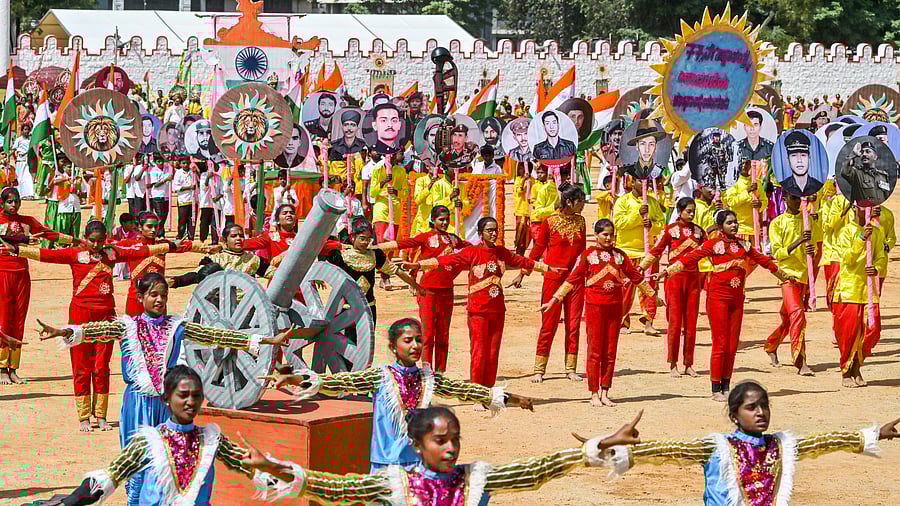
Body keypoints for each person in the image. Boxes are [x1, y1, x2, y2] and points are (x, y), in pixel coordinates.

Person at [264, 318, 534, 471]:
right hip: (385, 466)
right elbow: (338, 382)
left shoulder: (428, 377)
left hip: (420, 465)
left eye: (418, 339)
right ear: (394, 347)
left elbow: (464, 390)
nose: (415, 345)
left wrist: (513, 399)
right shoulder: (379, 376)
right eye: (408, 340)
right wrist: (296, 378)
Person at [232, 406, 642, 505]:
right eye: (441, 441)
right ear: (417, 446)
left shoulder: (476, 478)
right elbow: (341, 488)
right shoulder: (395, 484)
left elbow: (533, 471)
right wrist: (277, 467)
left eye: (455, 439)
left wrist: (593, 447)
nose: (451, 448)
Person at [596, 380, 899, 504]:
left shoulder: (781, 446)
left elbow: (824, 442)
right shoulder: (716, 447)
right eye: (751, 407)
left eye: (764, 405)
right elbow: (668, 450)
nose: (761, 412)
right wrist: (612, 448)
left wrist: (871, 435)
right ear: (734, 415)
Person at [5, 221, 183, 430]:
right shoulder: (74, 254)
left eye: (101, 241)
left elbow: (142, 250)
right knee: (81, 367)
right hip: (80, 314)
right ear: (85, 237)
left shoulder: (112, 254)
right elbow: (46, 255)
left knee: (101, 366)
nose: (97, 245)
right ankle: (83, 417)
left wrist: (172, 246)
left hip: (106, 314)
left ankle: (100, 415)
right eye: (92, 241)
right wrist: (18, 250)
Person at [47, 365, 305, 506]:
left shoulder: (212, 440)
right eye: (183, 395)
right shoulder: (148, 441)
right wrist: (68, 502)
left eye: (196, 395)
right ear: (166, 400)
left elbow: (251, 466)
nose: (190, 402)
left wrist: (296, 482)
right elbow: (109, 477)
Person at [402, 217, 553, 393]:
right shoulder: (471, 252)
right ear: (481, 234)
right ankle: (475, 389)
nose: (494, 233)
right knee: (479, 350)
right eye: (489, 230)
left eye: (495, 229)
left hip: (497, 309)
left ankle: (487, 388)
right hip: (478, 309)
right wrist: (418, 265)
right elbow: (445, 261)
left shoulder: (501, 252)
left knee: (492, 351)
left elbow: (522, 261)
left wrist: (549, 269)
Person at [657, 210, 791, 401]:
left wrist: (785, 277)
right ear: (721, 226)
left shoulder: (744, 245)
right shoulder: (713, 244)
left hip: (737, 299)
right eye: (729, 223)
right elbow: (690, 258)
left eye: (735, 222)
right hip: (718, 298)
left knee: (731, 344)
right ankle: (715, 387)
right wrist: (668, 271)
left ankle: (726, 385)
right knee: (720, 343)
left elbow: (765, 261)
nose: (734, 226)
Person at [540, 219, 652, 406]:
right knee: (595, 350)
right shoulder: (588, 255)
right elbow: (573, 279)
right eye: (605, 234)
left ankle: (605, 390)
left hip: (615, 306)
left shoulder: (620, 256)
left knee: (610, 350)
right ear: (596, 235)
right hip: (594, 306)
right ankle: (593, 392)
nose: (609, 238)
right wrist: (555, 299)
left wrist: (652, 295)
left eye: (611, 235)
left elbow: (635, 276)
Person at [372, 207, 469, 372]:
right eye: (441, 219)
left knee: (443, 335)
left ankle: (439, 373)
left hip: (447, 291)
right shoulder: (426, 238)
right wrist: (377, 247)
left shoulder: (453, 239)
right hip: (428, 291)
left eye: (446, 219)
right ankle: (425, 372)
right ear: (433, 220)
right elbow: (405, 243)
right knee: (428, 334)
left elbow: (472, 249)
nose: (444, 222)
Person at [508, 185, 586, 383]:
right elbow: (538, 248)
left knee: (574, 324)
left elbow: (583, 253)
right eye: (580, 201)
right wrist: (524, 271)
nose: (583, 205)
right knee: (549, 324)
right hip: (553, 278)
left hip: (575, 280)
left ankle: (570, 368)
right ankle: (539, 369)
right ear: (569, 202)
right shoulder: (549, 222)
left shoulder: (581, 221)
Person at [0, 187, 74, 385]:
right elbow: (8, 238)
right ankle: (1, 367)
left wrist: (74, 241)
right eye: (9, 202)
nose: (13, 205)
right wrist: (24, 239)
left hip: (22, 274)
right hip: (2, 273)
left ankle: (13, 367)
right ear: (2, 203)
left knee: (18, 320)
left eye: (16, 201)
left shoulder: (27, 221)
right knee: (4, 318)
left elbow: (48, 234)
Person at [641, 197, 705, 376]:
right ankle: (673, 363)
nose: (691, 214)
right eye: (688, 211)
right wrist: (640, 268)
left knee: (691, 322)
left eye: (693, 211)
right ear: (679, 211)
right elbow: (656, 252)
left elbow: (709, 250)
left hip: (694, 280)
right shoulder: (670, 230)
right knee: (675, 322)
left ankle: (689, 363)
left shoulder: (699, 232)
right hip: (674, 279)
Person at [321, 218, 422, 326]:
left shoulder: (375, 254)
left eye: (368, 239)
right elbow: (320, 251)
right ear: (352, 237)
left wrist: (417, 287)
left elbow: (396, 271)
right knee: (349, 340)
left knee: (368, 341)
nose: (365, 243)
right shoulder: (340, 254)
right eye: (362, 238)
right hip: (346, 309)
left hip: (369, 308)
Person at [765, 193, 822, 376]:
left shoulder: (808, 221)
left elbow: (815, 249)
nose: (798, 202)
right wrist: (799, 242)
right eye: (795, 198)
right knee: (797, 315)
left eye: (800, 199)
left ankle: (771, 345)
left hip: (804, 276)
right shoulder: (777, 223)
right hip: (787, 276)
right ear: (785, 199)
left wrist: (810, 250)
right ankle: (800, 360)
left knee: (790, 318)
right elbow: (778, 253)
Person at [832, 205, 886, 388]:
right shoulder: (846, 231)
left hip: (868, 290)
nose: (869, 211)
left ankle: (857, 364)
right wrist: (861, 238)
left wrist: (877, 268)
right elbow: (847, 259)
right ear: (856, 208)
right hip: (849, 290)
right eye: (865, 208)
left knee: (873, 331)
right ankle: (847, 370)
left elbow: (881, 256)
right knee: (848, 334)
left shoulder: (877, 233)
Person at [116, 211, 206, 316]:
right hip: (136, 299)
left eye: (156, 226)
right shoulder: (132, 246)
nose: (153, 230)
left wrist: (208, 248)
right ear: (140, 227)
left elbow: (186, 246)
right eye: (149, 226)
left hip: (159, 300)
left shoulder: (163, 244)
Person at [613, 175, 664, 335]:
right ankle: (622, 322)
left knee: (649, 288)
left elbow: (662, 224)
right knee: (624, 290)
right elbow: (618, 223)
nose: (644, 184)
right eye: (640, 181)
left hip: (647, 253)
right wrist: (638, 214)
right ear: (631, 182)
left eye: (647, 181)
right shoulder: (623, 201)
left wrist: (652, 226)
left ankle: (648, 322)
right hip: (626, 252)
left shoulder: (653, 202)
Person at [170, 224, 274, 288]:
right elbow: (195, 276)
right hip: (220, 308)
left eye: (241, 236)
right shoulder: (215, 259)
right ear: (225, 241)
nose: (238, 239)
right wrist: (174, 281)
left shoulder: (254, 260)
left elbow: (274, 274)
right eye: (233, 236)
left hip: (247, 307)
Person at [368, 152, 408, 288]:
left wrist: (396, 192)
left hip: (394, 210)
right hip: (381, 208)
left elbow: (405, 193)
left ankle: (384, 275)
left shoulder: (401, 171)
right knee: (380, 242)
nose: (394, 156)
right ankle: (383, 274)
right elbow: (372, 193)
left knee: (390, 245)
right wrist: (384, 181)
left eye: (397, 154)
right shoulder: (377, 170)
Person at [723, 159, 768, 241]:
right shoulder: (732, 182)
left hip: (754, 229)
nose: (744, 166)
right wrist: (747, 191)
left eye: (746, 163)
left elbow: (764, 201)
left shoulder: (756, 181)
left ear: (750, 165)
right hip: (739, 229)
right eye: (741, 163)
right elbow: (731, 202)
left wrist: (760, 204)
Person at [840, 140, 891, 206]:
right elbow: (844, 172)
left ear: (875, 157)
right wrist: (852, 155)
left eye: (868, 151)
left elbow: (887, 196)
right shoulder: (856, 173)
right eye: (862, 152)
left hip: (879, 212)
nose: (864, 154)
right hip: (862, 213)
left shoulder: (883, 176)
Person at [780, 130, 823, 196]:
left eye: (803, 155)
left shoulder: (819, 186)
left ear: (809, 157)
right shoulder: (782, 187)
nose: (799, 160)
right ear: (788, 159)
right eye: (794, 155)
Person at [528, 163, 558, 249]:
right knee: (537, 242)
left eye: (542, 172)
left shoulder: (551, 187)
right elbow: (532, 200)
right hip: (537, 217)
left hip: (548, 217)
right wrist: (541, 206)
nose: (540, 175)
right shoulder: (535, 186)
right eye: (538, 173)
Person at [198, 162, 223, 245]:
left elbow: (221, 191)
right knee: (204, 223)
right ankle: (202, 238)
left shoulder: (219, 178)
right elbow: (203, 188)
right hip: (206, 203)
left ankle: (214, 241)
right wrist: (208, 178)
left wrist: (218, 197)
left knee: (215, 223)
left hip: (216, 204)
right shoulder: (203, 175)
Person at [147, 156, 173, 237]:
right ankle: (158, 233)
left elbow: (173, 168)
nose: (161, 163)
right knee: (160, 216)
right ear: (155, 162)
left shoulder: (167, 168)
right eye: (159, 161)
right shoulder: (154, 171)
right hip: (157, 196)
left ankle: (160, 232)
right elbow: (156, 184)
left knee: (165, 215)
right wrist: (166, 179)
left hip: (166, 195)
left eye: (162, 161)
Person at [112, 213, 140, 280]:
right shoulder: (116, 232)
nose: (132, 225)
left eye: (133, 223)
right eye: (130, 223)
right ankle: (116, 275)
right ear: (123, 223)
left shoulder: (136, 233)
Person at [172, 161, 196, 240]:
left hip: (193, 200)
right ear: (180, 164)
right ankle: (180, 236)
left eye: (187, 163)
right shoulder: (178, 173)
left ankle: (191, 237)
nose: (185, 165)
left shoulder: (193, 172)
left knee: (192, 220)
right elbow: (176, 188)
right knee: (182, 220)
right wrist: (189, 187)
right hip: (183, 200)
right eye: (183, 163)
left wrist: (196, 171)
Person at [13, 123, 34, 199]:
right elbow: (14, 149)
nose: (26, 131)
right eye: (25, 129)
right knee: (20, 178)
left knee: (28, 177)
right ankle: (21, 194)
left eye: (28, 129)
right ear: (22, 131)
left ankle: (29, 194)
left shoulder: (31, 139)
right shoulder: (19, 140)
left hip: (28, 161)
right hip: (20, 161)